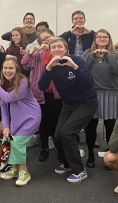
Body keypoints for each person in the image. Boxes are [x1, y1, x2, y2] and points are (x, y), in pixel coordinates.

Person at [38, 37, 98, 183]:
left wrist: (74, 67)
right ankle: (67, 163)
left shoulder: (76, 60)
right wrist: (48, 68)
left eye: (60, 47)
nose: (57, 49)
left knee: (67, 133)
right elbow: (41, 86)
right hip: (69, 104)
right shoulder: (50, 65)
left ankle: (80, 170)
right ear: (50, 51)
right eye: (54, 47)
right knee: (57, 136)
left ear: (66, 49)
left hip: (87, 102)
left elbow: (88, 83)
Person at [0, 58, 41, 186]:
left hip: (30, 118)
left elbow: (8, 98)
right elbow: (3, 107)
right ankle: (14, 169)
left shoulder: (23, 82)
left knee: (17, 143)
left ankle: (24, 172)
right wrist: (6, 126)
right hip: (16, 119)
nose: (8, 71)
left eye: (11, 68)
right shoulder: (3, 84)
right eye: (5, 68)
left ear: (17, 70)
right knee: (7, 141)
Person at [82, 29, 118, 168]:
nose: (102, 39)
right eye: (99, 37)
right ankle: (91, 155)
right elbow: (82, 69)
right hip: (92, 93)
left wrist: (108, 55)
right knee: (91, 126)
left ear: (109, 39)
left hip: (110, 94)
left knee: (111, 127)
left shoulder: (115, 54)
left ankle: (110, 155)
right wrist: (93, 55)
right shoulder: (88, 53)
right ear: (95, 39)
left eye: (105, 37)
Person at [21, 29, 62, 160]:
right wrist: (33, 50)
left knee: (56, 121)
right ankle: (44, 148)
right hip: (41, 93)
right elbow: (24, 63)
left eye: (48, 37)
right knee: (43, 121)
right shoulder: (39, 53)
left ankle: (59, 148)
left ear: (53, 37)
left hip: (57, 93)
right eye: (43, 39)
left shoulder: (59, 52)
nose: (46, 40)